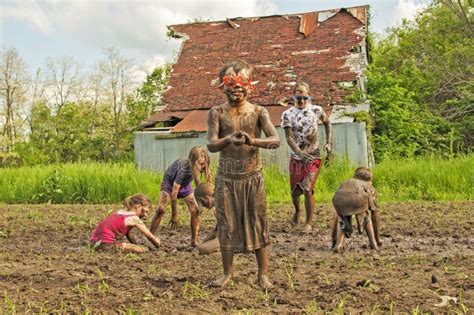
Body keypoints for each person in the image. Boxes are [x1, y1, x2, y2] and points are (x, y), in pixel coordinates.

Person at [207, 60, 280, 289]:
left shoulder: (259, 112)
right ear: (222, 86)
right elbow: (211, 144)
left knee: (258, 222)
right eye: (231, 82)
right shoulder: (216, 113)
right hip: (227, 179)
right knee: (226, 223)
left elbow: (275, 140)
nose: (236, 87)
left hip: (252, 177)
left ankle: (263, 275)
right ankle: (227, 273)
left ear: (250, 86)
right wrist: (228, 139)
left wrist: (253, 140)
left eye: (242, 82)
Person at [280, 82, 332, 233]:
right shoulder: (287, 114)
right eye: (298, 98)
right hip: (297, 157)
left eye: (304, 97)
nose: (301, 101)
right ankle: (297, 211)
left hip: (313, 156)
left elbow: (328, 124)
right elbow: (289, 138)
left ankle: (308, 222)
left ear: (309, 96)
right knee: (295, 192)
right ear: (293, 97)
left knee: (308, 188)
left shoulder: (316, 110)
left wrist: (329, 143)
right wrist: (300, 153)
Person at [149, 146, 212, 247]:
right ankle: (150, 236)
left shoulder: (203, 167)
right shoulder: (184, 168)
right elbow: (174, 194)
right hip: (170, 183)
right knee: (161, 209)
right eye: (200, 164)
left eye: (204, 164)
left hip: (185, 185)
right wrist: (174, 215)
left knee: (195, 210)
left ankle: (194, 241)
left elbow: (203, 187)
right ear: (193, 162)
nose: (202, 167)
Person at [330, 167, 382, 253]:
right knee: (366, 217)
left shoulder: (347, 182)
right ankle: (373, 243)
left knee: (343, 219)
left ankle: (338, 244)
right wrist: (378, 238)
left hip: (338, 199)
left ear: (355, 177)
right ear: (370, 181)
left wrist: (333, 239)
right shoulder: (369, 186)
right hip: (358, 198)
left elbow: (335, 218)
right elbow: (374, 215)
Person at [90, 193, 161, 253]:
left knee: (135, 247)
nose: (145, 215)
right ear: (138, 207)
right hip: (106, 245)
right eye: (145, 211)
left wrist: (136, 244)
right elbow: (150, 237)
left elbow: (128, 234)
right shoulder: (134, 218)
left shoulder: (120, 212)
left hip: (93, 244)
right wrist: (158, 243)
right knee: (142, 249)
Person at [194, 182, 219, 255]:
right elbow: (217, 229)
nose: (203, 206)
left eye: (202, 202)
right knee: (201, 247)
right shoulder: (219, 204)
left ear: (207, 198)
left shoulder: (223, 204)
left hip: (234, 237)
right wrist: (201, 244)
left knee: (203, 249)